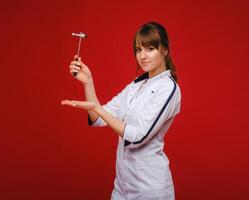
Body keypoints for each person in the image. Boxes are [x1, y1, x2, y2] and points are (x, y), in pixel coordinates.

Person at [61, 21, 181, 200]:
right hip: (123, 187)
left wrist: (97, 109)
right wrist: (88, 82)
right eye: (138, 50)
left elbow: (138, 136)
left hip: (149, 189)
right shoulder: (136, 85)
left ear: (164, 49)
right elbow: (98, 118)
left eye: (150, 48)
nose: (142, 56)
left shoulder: (168, 88)